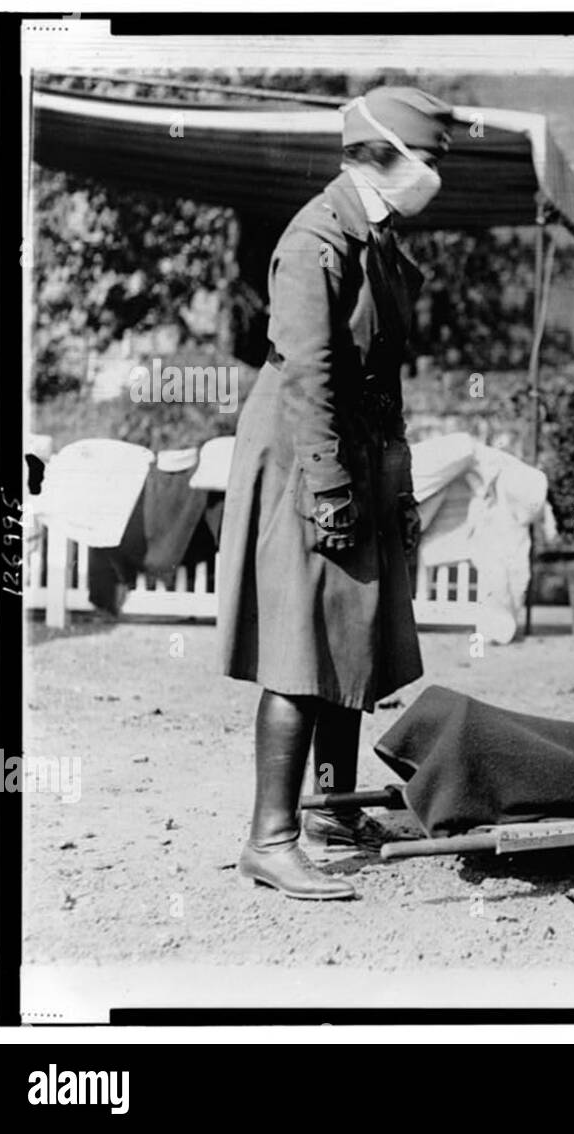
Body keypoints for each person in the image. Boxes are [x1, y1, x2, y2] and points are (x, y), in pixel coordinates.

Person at [218, 85, 455, 899]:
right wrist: (328, 488)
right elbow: (308, 378)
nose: (435, 176)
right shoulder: (317, 239)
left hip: (358, 449)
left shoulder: (379, 239)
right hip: (303, 454)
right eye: (429, 158)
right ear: (381, 153)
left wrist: (397, 479)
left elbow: (382, 373)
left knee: (349, 634)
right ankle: (269, 838)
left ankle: (331, 806)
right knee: (299, 648)